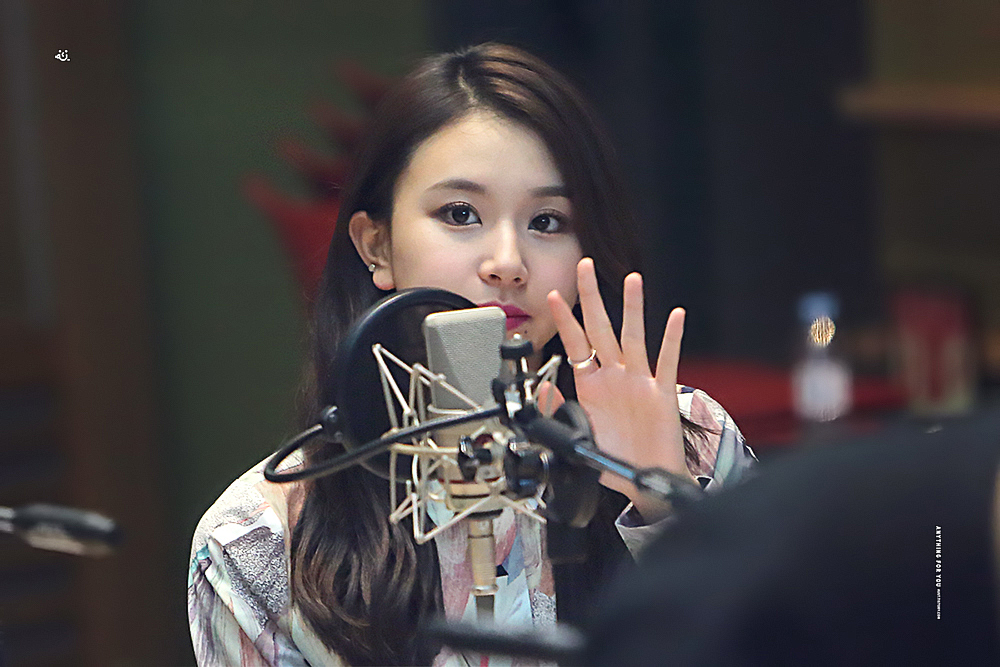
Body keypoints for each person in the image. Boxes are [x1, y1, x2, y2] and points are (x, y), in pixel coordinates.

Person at [188, 43, 755, 666]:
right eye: (460, 214)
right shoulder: (259, 542)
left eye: (547, 221)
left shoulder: (694, 444)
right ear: (376, 245)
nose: (507, 263)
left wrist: (662, 501)